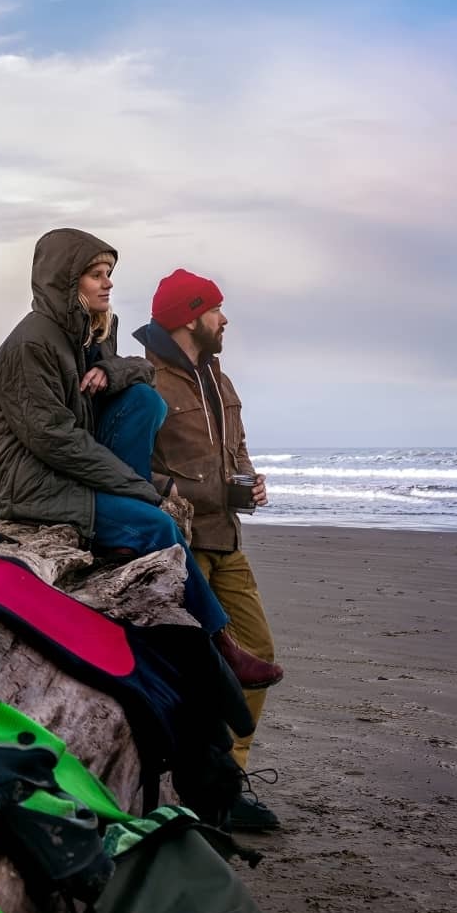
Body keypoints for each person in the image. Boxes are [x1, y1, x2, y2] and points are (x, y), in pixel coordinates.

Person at [0, 228, 280, 689]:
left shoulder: (88, 332)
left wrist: (108, 367)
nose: (108, 283)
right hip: (35, 483)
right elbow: (54, 441)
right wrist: (146, 490)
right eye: (96, 275)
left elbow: (141, 371)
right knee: (159, 524)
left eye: (109, 273)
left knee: (143, 399)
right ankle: (221, 645)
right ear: (65, 281)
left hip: (73, 472)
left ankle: (128, 525)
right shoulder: (29, 346)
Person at [133, 269, 286, 831]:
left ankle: (228, 781)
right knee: (191, 672)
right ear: (188, 316)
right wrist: (193, 492)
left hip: (227, 541)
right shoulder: (146, 381)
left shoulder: (218, 380)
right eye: (217, 310)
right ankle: (191, 785)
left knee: (257, 653)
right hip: (181, 547)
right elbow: (132, 468)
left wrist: (250, 481)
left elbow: (236, 452)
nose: (225, 320)